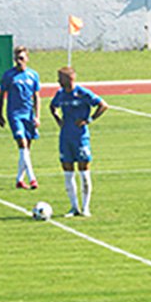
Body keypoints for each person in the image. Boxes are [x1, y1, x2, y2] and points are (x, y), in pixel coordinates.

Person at [50, 67, 109, 217]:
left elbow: (103, 105)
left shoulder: (83, 93)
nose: (58, 81)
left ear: (69, 79)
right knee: (68, 172)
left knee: (84, 171)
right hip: (65, 138)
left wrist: (89, 120)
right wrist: (58, 119)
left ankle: (86, 207)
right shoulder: (60, 94)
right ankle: (74, 207)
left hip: (81, 138)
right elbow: (52, 106)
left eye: (60, 78)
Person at [0, 46, 41, 190]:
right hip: (14, 114)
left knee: (27, 148)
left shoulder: (33, 75)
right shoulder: (9, 75)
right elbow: (1, 95)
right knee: (22, 143)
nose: (19, 61)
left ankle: (19, 179)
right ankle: (32, 178)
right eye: (17, 58)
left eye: (21, 58)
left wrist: (37, 116)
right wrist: (0, 114)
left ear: (27, 58)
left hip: (28, 114)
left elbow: (36, 96)